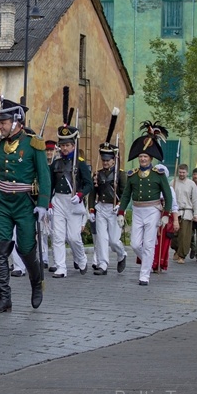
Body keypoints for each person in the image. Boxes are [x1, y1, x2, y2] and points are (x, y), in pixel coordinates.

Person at [0, 97, 50, 312]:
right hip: (3, 203)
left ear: (16, 121)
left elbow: (44, 177)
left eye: (3, 122)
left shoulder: (34, 143)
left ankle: (36, 283)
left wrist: (42, 204)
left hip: (24, 204)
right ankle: (4, 298)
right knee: (0, 251)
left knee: (26, 249)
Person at [117, 121, 172, 286]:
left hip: (153, 210)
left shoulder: (159, 174)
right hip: (137, 211)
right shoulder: (132, 175)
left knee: (148, 243)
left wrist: (166, 215)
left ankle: (144, 275)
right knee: (134, 244)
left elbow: (168, 196)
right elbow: (126, 195)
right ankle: (150, 259)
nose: (142, 159)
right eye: (140, 156)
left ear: (150, 158)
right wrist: (121, 212)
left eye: (145, 157)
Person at [47, 90, 93, 278]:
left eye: (68, 145)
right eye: (62, 145)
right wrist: (48, 202)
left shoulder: (80, 163)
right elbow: (49, 184)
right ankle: (61, 267)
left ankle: (81, 260)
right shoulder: (55, 163)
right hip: (58, 201)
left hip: (74, 201)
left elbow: (89, 184)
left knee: (73, 237)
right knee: (57, 236)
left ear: (73, 145)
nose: (64, 148)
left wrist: (81, 195)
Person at [89, 108, 127, 275]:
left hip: (114, 209)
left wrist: (121, 208)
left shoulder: (120, 174)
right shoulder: (97, 173)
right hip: (101, 208)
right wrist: (91, 208)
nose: (105, 162)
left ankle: (122, 253)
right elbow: (93, 191)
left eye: (108, 160)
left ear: (113, 160)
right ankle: (103, 265)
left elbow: (126, 193)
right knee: (102, 239)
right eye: (103, 159)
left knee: (113, 240)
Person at [171, 164, 197, 265]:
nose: (181, 174)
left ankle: (182, 255)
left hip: (187, 212)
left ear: (187, 173)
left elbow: (195, 200)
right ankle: (176, 249)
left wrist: (196, 213)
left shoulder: (191, 184)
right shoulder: (173, 182)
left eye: (183, 172)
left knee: (184, 236)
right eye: (180, 172)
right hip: (175, 212)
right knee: (174, 235)